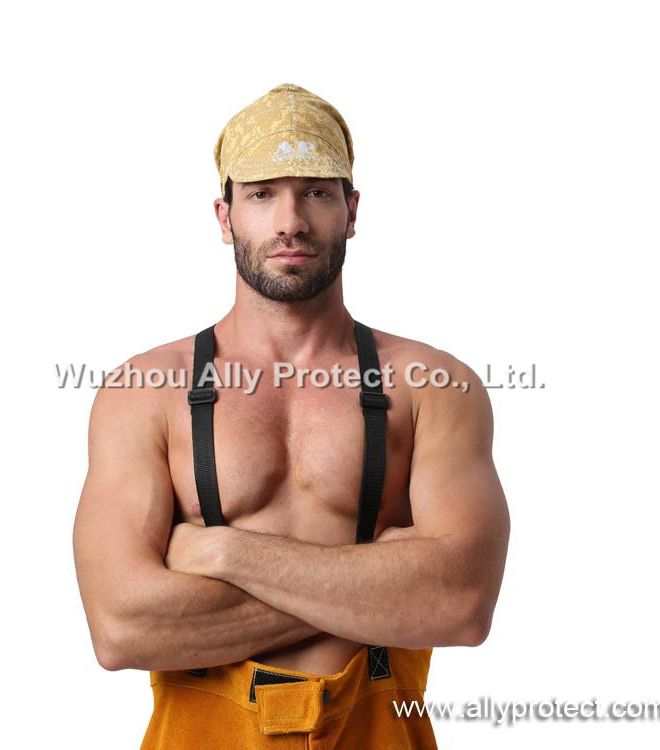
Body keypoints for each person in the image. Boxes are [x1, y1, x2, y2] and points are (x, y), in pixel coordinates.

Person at [72, 83, 510, 749]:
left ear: (351, 211)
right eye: (261, 194)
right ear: (224, 217)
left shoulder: (433, 385)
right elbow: (120, 629)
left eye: (316, 192)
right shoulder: (145, 390)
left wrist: (220, 551)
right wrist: (380, 580)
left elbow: (460, 605)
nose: (291, 221)